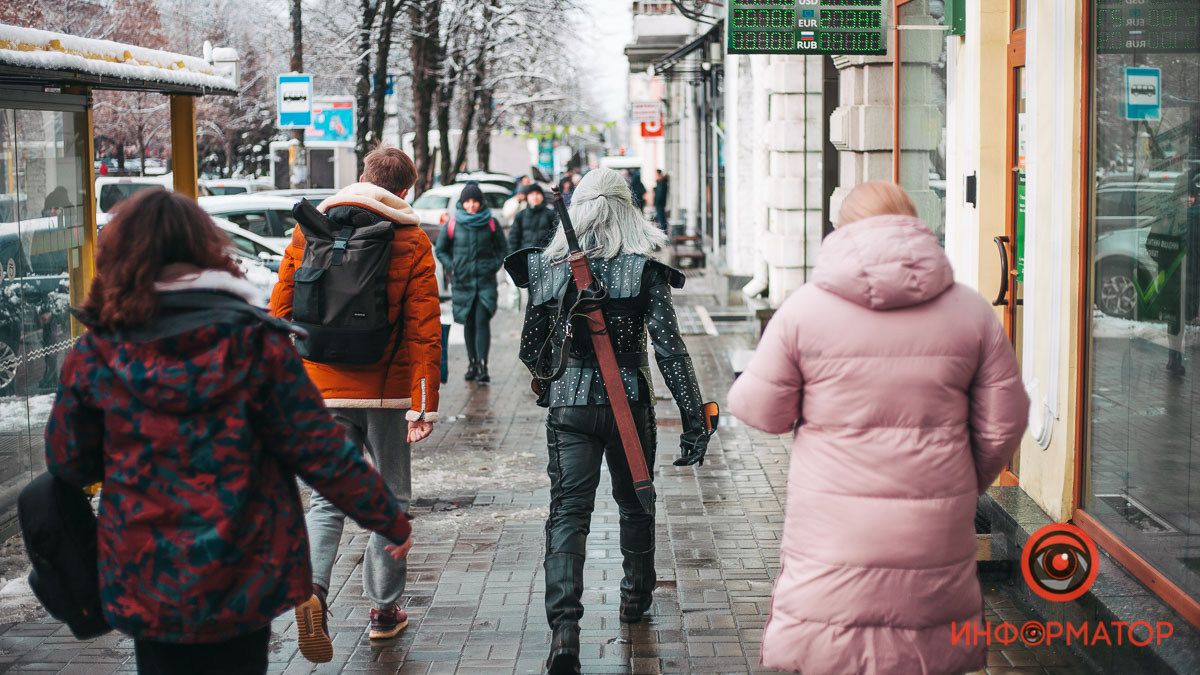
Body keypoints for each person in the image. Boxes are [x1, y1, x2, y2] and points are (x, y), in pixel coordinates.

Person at [44, 189, 413, 675]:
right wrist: (387, 518)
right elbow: (317, 446)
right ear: (207, 249)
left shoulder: (99, 352)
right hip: (242, 565)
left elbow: (70, 462)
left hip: (147, 567)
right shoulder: (252, 340)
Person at [727, 182, 1029, 675]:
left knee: (834, 648)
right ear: (914, 225)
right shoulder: (970, 312)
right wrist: (960, 482)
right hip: (932, 531)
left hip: (833, 533)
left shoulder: (804, 310)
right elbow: (1006, 420)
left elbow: (761, 409)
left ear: (843, 231)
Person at [505, 168, 711, 675]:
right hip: (629, 408)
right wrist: (693, 420)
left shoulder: (547, 269)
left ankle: (565, 632)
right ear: (627, 210)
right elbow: (671, 352)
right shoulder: (643, 270)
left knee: (568, 512)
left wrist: (559, 354)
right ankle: (634, 600)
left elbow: (531, 350)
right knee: (636, 502)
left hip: (570, 407)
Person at [270, 146, 441, 658]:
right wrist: (422, 403)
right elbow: (424, 330)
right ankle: (384, 611)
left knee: (327, 497)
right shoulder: (410, 239)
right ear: (405, 190)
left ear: (361, 177)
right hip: (386, 394)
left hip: (322, 391)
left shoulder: (310, 229)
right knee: (391, 500)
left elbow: (280, 308)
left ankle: (314, 590)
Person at [436, 181, 508, 384]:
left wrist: (492, 266)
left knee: (481, 321)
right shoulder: (453, 223)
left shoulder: (491, 222)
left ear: (480, 202)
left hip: (485, 282)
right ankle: (472, 363)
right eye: (467, 201)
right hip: (462, 282)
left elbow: (503, 249)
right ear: (462, 202)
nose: (471, 205)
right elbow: (440, 250)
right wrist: (453, 266)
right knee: (468, 322)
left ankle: (483, 364)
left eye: (475, 201)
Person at [507, 184, 557, 251]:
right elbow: (513, 238)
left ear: (542, 196)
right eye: (531, 194)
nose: (535, 197)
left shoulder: (551, 214)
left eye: (537, 194)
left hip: (545, 253)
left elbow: (556, 237)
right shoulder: (521, 215)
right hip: (525, 254)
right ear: (527, 197)